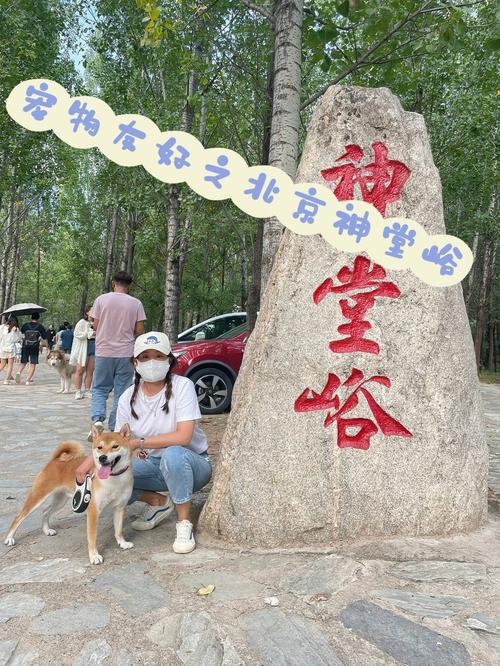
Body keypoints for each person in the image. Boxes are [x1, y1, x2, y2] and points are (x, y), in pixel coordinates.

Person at [76, 331, 211, 553]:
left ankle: (183, 523)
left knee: (173, 453)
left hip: (191, 466)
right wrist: (89, 463)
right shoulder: (128, 397)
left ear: (169, 359)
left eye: (158, 356)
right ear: (135, 362)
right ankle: (158, 502)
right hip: (151, 466)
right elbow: (115, 442)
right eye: (145, 357)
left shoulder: (183, 386)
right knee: (111, 473)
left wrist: (139, 443)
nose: (152, 362)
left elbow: (183, 436)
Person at [89, 271, 146, 435]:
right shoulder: (136, 303)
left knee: (100, 388)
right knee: (122, 392)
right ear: (129, 285)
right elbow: (139, 330)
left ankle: (98, 419)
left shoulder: (101, 300)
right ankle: (115, 426)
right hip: (125, 353)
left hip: (103, 351)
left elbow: (95, 326)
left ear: (113, 282)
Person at [70, 307, 95, 400]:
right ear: (87, 312)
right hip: (83, 347)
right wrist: (89, 333)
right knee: (80, 370)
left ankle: (88, 390)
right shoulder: (81, 322)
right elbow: (77, 334)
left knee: (90, 371)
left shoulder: (97, 322)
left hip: (94, 346)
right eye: (91, 310)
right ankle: (78, 391)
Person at [16, 313, 46, 385]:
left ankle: (18, 372)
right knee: (33, 363)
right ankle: (28, 380)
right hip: (34, 347)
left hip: (25, 345)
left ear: (31, 317)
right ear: (38, 318)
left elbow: (21, 334)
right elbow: (44, 337)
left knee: (23, 362)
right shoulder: (40, 326)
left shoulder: (26, 325)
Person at [0, 316, 22, 384]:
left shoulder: (2, 327)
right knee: (10, 365)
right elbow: (19, 338)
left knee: (2, 364)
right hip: (11, 348)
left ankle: (7, 379)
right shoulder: (16, 329)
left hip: (3, 347)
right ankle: (6, 380)